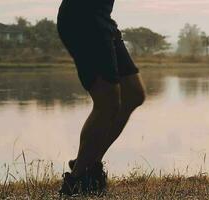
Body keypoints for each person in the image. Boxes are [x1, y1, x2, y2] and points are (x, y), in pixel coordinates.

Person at [56, 0, 146, 196]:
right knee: (107, 103)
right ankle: (77, 181)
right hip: (83, 19)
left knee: (133, 94)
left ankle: (89, 164)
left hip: (102, 18)